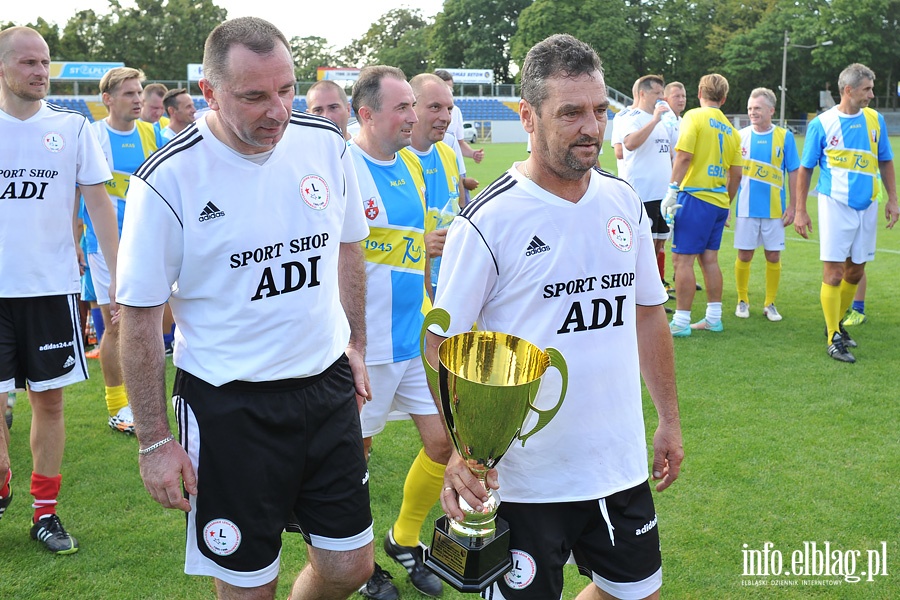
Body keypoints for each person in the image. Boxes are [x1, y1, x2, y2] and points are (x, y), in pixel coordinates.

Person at [116, 17, 374, 600]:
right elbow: (137, 319)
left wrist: (355, 343)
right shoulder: (168, 179)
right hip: (229, 407)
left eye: (285, 90)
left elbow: (349, 247)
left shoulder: (326, 144)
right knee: (248, 586)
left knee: (350, 565)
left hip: (326, 388)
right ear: (209, 92)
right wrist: (154, 441)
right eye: (255, 96)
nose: (277, 111)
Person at [425, 33, 684, 600]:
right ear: (528, 116)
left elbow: (647, 315)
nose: (590, 127)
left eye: (598, 110)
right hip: (522, 478)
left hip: (617, 464)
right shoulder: (487, 221)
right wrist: (461, 450)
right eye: (570, 112)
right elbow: (443, 343)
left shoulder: (622, 205)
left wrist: (668, 417)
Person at [0, 25, 119, 554]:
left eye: (44, 62)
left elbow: (100, 206)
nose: (39, 71)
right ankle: (2, 476)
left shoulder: (73, 129)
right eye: (27, 62)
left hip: (51, 291)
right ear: (3, 68)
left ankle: (44, 513)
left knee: (49, 404)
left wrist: (119, 281)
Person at [349, 66, 449, 600]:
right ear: (367, 115)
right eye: (402, 108)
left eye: (415, 105)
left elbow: (411, 250)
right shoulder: (345, 166)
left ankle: (403, 538)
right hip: (369, 348)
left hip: (414, 340)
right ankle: (359, 566)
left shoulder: (411, 164)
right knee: (353, 460)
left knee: (442, 442)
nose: (413, 116)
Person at [794, 63, 898, 363]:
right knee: (835, 271)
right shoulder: (822, 124)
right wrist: (800, 210)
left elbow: (886, 161)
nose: (872, 94)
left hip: (868, 205)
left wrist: (893, 199)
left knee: (856, 269)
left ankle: (837, 324)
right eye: (867, 89)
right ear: (848, 90)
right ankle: (831, 337)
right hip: (834, 203)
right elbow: (806, 169)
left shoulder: (875, 120)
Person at [84, 66, 162, 434]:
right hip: (104, 245)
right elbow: (77, 196)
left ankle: (146, 400)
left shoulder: (152, 133)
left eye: (140, 92)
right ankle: (118, 406)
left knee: (153, 320)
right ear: (107, 99)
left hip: (146, 239)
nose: (138, 99)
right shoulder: (93, 136)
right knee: (116, 323)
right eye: (130, 93)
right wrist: (75, 240)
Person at [662, 74, 743, 336]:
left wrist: (672, 190)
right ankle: (713, 318)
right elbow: (737, 174)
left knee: (682, 261)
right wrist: (726, 203)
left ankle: (682, 322)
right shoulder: (731, 130)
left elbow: (684, 156)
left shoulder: (693, 117)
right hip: (718, 200)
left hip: (695, 197)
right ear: (724, 97)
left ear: (699, 92)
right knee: (709, 260)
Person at [733, 88, 800, 321]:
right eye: (750, 108)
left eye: (757, 108)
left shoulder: (785, 137)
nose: (753, 112)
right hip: (745, 209)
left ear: (771, 110)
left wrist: (793, 206)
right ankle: (742, 300)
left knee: (773, 256)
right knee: (744, 255)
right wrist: (727, 204)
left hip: (775, 210)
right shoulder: (739, 136)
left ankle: (770, 303)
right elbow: (731, 174)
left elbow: (794, 172)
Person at [409, 73, 465, 297]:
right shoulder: (395, 159)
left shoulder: (448, 153)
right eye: (435, 107)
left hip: (450, 284)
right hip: (413, 292)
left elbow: (459, 207)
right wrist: (421, 245)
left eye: (449, 109)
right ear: (411, 108)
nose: (446, 117)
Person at [619, 75, 674, 283]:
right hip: (644, 194)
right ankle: (638, 296)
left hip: (663, 195)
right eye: (657, 93)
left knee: (659, 245)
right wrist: (654, 121)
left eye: (662, 93)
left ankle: (651, 294)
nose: (661, 97)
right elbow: (629, 144)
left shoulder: (663, 120)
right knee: (644, 249)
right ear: (642, 94)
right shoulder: (633, 117)